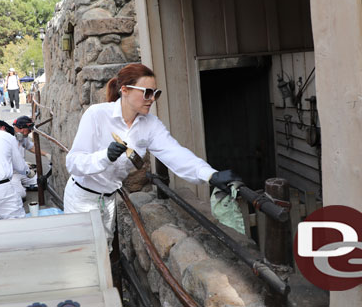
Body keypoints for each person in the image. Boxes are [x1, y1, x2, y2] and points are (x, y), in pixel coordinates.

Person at [64, 63, 240, 248]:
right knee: (80, 253)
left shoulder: (149, 125)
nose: (152, 99)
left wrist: (210, 175)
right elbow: (73, 162)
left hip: (107, 200)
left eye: (156, 93)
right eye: (147, 92)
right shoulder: (97, 115)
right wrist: (105, 156)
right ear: (124, 90)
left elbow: (175, 153)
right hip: (81, 199)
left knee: (103, 250)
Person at [10, 116, 50, 193]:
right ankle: (17, 186)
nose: (30, 131)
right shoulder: (8, 138)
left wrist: (46, 154)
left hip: (22, 171)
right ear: (22, 128)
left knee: (40, 182)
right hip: (11, 174)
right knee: (21, 194)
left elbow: (31, 148)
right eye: (29, 129)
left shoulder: (23, 136)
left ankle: (21, 185)